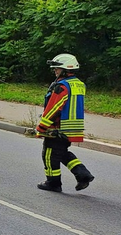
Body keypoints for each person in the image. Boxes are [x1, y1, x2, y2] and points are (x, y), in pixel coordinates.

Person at [35, 54, 95, 192]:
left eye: (57, 68)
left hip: (58, 127)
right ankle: (83, 175)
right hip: (72, 128)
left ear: (65, 69)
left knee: (49, 154)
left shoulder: (62, 86)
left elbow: (55, 107)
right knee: (61, 153)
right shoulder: (79, 84)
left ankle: (53, 183)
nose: (55, 70)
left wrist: (42, 126)